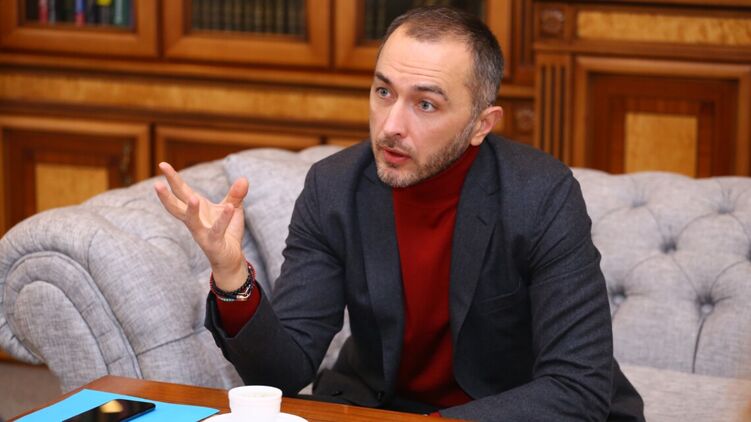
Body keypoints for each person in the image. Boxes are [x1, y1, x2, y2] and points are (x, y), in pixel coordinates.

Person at [155, 6, 644, 421]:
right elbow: (282, 374)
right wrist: (231, 274)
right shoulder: (334, 189)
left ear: (481, 124)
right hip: (381, 407)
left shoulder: (540, 194)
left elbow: (576, 386)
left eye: (425, 104)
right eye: (383, 92)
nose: (390, 126)